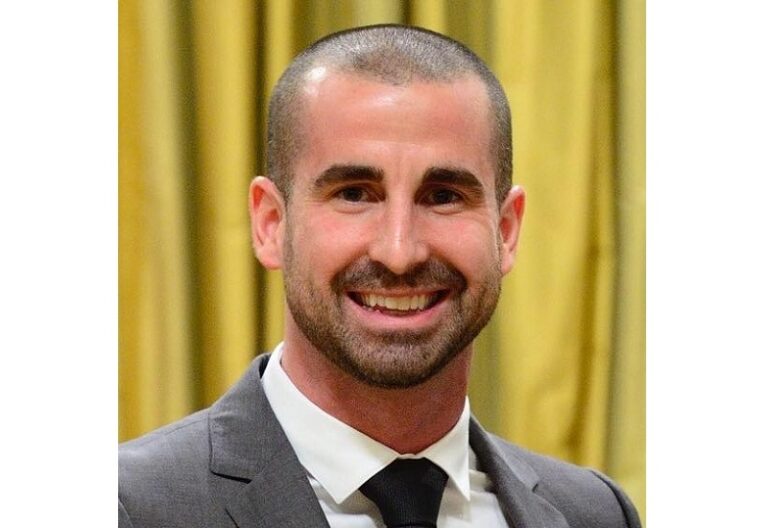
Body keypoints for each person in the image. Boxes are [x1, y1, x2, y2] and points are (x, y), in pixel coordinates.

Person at [119, 24, 641, 528]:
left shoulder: (595, 515)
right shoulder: (127, 509)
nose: (399, 252)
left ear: (506, 231)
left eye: (443, 196)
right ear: (271, 224)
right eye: (353, 194)